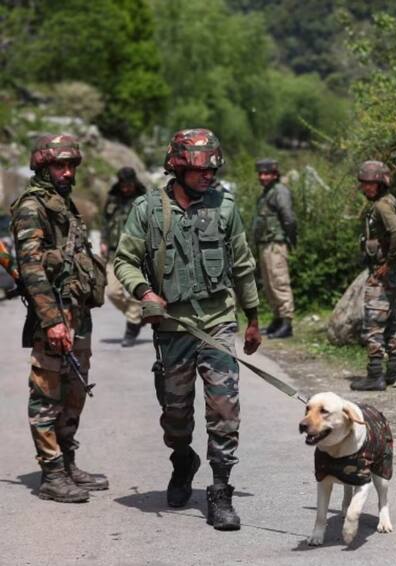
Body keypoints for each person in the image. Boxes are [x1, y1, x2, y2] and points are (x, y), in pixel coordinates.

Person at [113, 128, 262, 531]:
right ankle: (182, 460)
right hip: (173, 327)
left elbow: (244, 265)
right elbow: (123, 260)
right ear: (177, 168)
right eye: (200, 169)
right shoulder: (147, 210)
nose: (209, 175)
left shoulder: (226, 207)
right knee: (175, 414)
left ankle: (220, 490)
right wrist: (145, 291)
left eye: (213, 168)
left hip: (217, 323)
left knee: (224, 410)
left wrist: (253, 319)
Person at [10, 134, 109, 502]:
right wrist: (52, 320)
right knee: (46, 393)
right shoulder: (32, 206)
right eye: (59, 165)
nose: (67, 172)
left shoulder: (63, 203)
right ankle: (51, 473)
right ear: (42, 165)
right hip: (54, 313)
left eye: (71, 166)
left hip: (78, 312)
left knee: (75, 391)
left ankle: (67, 462)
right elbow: (32, 268)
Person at [350, 160, 396, 391]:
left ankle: (375, 375)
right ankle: (395, 372)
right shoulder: (391, 202)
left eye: (370, 184)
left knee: (373, 324)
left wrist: (387, 262)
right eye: (363, 183)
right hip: (395, 274)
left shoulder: (382, 206)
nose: (365, 188)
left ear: (381, 183)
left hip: (383, 274)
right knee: (392, 323)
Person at [251, 158, 297, 339]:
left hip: (276, 244)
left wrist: (291, 238)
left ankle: (287, 323)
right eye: (261, 174)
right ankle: (277, 319)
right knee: (270, 286)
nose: (263, 177)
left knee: (279, 282)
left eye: (267, 174)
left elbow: (289, 217)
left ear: (275, 174)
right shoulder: (267, 193)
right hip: (266, 243)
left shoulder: (279, 191)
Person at [101, 166, 147, 347]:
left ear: (135, 182)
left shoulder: (144, 200)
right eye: (123, 185)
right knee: (112, 292)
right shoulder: (112, 198)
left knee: (137, 292)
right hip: (114, 252)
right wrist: (103, 240)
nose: (126, 188)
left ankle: (132, 327)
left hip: (138, 253)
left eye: (129, 184)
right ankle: (136, 315)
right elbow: (104, 221)